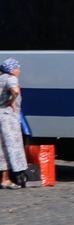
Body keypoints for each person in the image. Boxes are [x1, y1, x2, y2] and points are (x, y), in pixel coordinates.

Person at [0, 58, 27, 189]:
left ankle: (4, 179)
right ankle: (12, 177)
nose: (19, 70)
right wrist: (12, 101)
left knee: (2, 149)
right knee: (12, 146)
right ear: (11, 69)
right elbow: (15, 90)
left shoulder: (1, 78)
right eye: (17, 67)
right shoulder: (11, 78)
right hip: (7, 118)